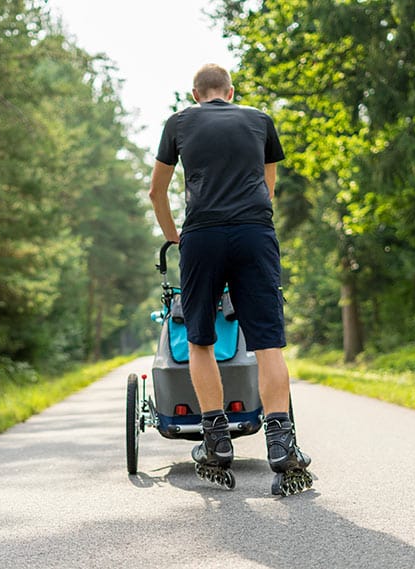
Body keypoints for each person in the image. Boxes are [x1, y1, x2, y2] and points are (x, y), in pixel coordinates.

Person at [148, 63, 310, 490]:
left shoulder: (179, 122)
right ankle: (280, 443)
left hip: (202, 235)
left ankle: (216, 440)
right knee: (268, 342)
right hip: (254, 232)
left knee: (201, 337)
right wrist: (249, 219)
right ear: (231, 92)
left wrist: (174, 237)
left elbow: (156, 190)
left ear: (196, 93)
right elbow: (267, 184)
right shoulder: (259, 120)